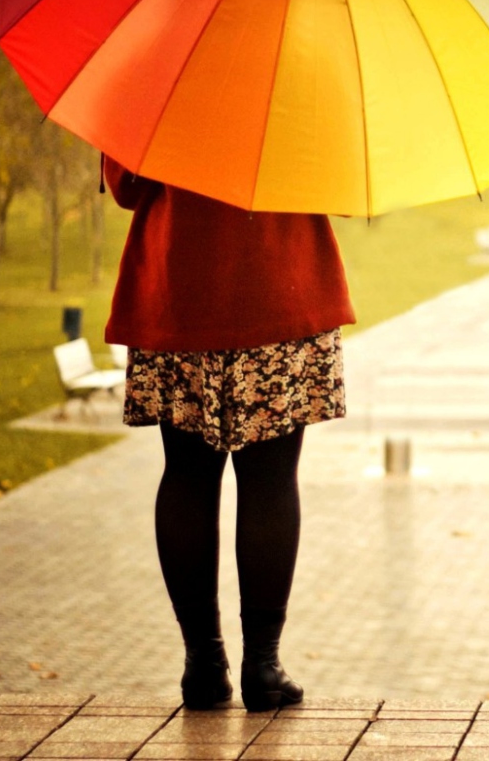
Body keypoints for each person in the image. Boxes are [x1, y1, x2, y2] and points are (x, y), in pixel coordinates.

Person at [103, 157, 355, 711]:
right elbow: (340, 176)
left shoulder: (154, 74)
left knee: (187, 475)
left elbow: (125, 185)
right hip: (277, 282)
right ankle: (263, 666)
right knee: (270, 480)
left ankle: (203, 663)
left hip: (181, 288)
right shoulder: (301, 72)